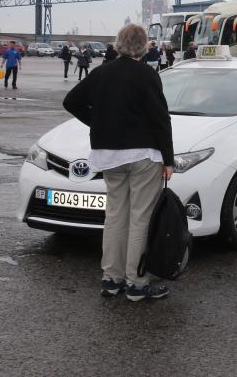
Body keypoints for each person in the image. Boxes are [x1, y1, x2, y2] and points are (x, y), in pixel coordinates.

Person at [62, 24, 174, 301]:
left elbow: (71, 101)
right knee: (140, 218)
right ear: (145, 46)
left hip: (108, 154)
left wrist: (98, 123)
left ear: (118, 44)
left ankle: (111, 279)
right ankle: (136, 283)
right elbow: (161, 119)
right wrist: (168, 159)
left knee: (114, 215)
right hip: (143, 155)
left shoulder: (102, 72)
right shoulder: (147, 75)